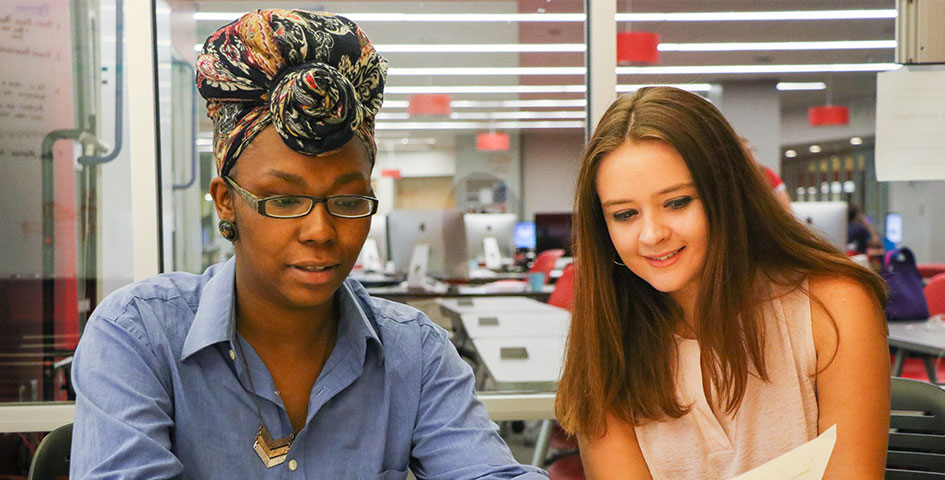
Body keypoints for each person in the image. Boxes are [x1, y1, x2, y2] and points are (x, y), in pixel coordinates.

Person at [70, 10, 546, 479]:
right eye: (283, 199)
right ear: (226, 203)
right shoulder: (139, 336)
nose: (320, 230)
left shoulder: (413, 353)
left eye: (347, 199)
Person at [555, 87, 889, 479]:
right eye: (625, 214)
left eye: (677, 202)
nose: (651, 234)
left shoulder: (833, 307)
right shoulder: (609, 333)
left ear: (728, 196)